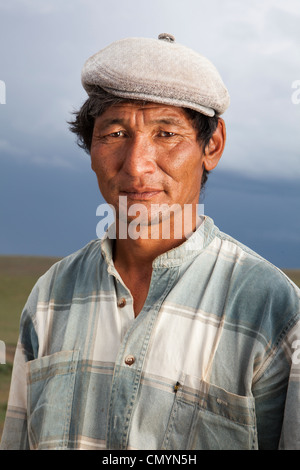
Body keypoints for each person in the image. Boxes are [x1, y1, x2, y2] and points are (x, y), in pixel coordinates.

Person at [1, 33, 300, 451]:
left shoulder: (274, 311)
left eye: (166, 134)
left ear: (211, 146)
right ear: (91, 148)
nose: (138, 165)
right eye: (116, 133)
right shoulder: (51, 296)